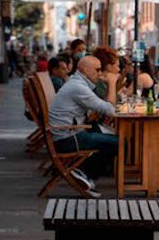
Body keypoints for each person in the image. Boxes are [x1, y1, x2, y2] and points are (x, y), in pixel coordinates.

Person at [48, 55, 119, 195]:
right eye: (97, 70)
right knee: (119, 143)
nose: (100, 73)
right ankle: (84, 173)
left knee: (110, 138)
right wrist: (112, 83)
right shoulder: (78, 87)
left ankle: (85, 173)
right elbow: (111, 110)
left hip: (67, 134)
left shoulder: (78, 83)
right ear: (85, 70)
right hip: (67, 139)